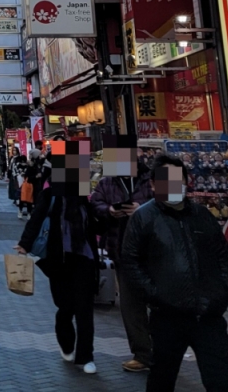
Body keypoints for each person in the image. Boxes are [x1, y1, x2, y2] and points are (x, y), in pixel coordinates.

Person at [121, 154, 228, 392]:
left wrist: (224, 292)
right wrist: (156, 295)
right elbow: (131, 262)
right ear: (153, 185)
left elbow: (222, 255)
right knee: (162, 378)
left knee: (221, 381)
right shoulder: (144, 217)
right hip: (168, 317)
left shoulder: (202, 215)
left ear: (187, 181)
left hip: (209, 315)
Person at [16, 141, 100, 375]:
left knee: (84, 308)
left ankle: (86, 356)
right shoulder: (51, 194)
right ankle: (66, 341)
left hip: (83, 257)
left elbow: (93, 225)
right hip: (58, 259)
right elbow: (36, 219)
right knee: (65, 307)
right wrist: (24, 244)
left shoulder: (85, 197)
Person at [89, 137, 154, 374]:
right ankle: (143, 354)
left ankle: (166, 349)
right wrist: (109, 211)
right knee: (130, 305)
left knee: (162, 302)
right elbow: (95, 204)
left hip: (156, 252)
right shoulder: (107, 182)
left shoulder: (156, 174)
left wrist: (143, 209)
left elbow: (176, 201)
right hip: (122, 251)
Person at [7, 147, 25, 217]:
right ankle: (15, 198)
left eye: (15, 150)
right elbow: (10, 167)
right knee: (13, 187)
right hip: (12, 174)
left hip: (17, 174)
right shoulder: (11, 158)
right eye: (13, 150)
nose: (14, 152)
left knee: (16, 187)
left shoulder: (19, 158)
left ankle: (16, 198)